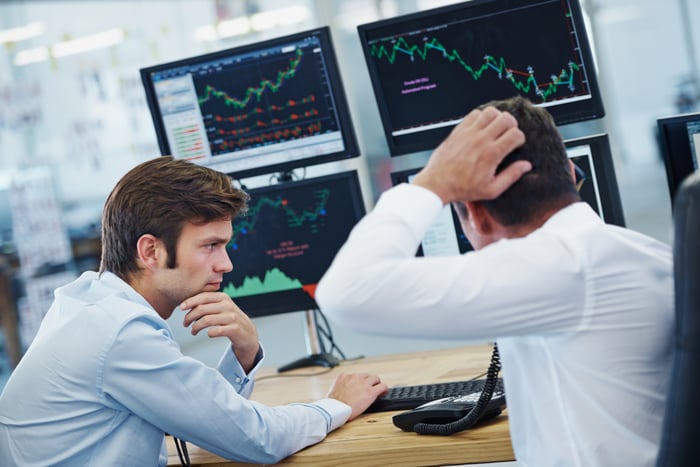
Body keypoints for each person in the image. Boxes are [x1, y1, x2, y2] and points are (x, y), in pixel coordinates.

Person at [316, 96, 674, 466]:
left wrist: (433, 183)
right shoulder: (638, 253)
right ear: (569, 173)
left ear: (476, 214)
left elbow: (347, 292)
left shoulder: (560, 266)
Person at [0, 156, 387, 466]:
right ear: (150, 251)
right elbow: (258, 439)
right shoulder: (119, 332)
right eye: (210, 246)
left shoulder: (89, 300)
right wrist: (338, 403)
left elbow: (204, 414)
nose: (226, 264)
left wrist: (244, 353)